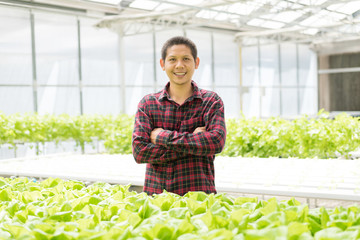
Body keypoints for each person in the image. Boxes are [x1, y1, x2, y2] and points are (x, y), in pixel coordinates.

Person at [132, 36, 226, 196]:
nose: (179, 65)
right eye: (173, 59)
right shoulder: (148, 104)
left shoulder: (210, 101)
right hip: (157, 200)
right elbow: (140, 152)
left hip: (200, 200)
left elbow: (216, 142)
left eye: (186, 59)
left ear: (196, 62)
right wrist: (194, 144)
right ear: (163, 64)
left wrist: (162, 137)